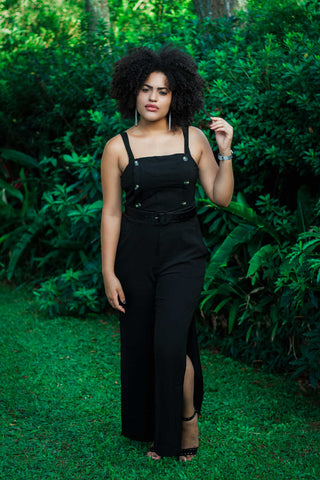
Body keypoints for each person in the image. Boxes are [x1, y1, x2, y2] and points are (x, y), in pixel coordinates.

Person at [100, 46, 234, 461]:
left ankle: (186, 420)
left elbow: (221, 198)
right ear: (133, 93)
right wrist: (109, 273)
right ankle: (155, 426)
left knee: (170, 343)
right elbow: (111, 212)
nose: (153, 97)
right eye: (146, 89)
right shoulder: (117, 147)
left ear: (177, 96)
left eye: (163, 90)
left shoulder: (193, 138)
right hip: (136, 254)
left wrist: (225, 149)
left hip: (184, 252)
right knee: (143, 343)